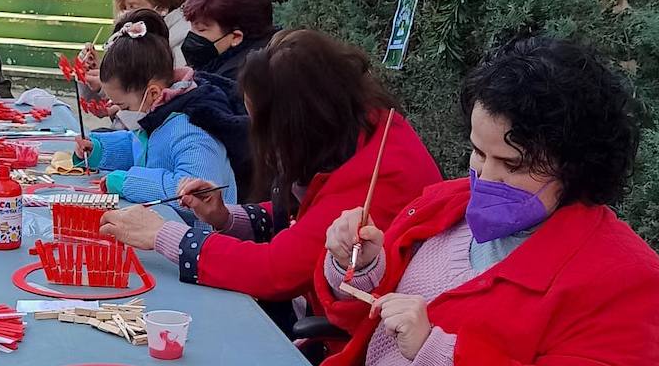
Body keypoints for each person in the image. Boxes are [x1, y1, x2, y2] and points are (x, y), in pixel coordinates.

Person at [317, 36, 659, 366]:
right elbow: (361, 315)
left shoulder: (624, 278)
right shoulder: (445, 205)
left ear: (577, 166)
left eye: (513, 165)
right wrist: (358, 263)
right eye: (478, 152)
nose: (484, 177)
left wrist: (435, 353)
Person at [99, 30, 439, 338]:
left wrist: (163, 236)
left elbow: (277, 270)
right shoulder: (355, 136)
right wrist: (226, 217)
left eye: (262, 125)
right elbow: (303, 220)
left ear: (296, 122)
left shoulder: (378, 176)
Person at [78, 9, 245, 206]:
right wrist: (98, 149)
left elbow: (197, 196)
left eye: (124, 105)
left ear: (154, 93)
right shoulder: (160, 114)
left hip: (197, 233)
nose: (120, 112)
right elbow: (140, 148)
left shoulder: (192, 131)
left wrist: (128, 183)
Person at [180, 0, 276, 83]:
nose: (191, 35)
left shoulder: (231, 83)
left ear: (236, 37)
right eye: (192, 27)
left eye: (201, 29)